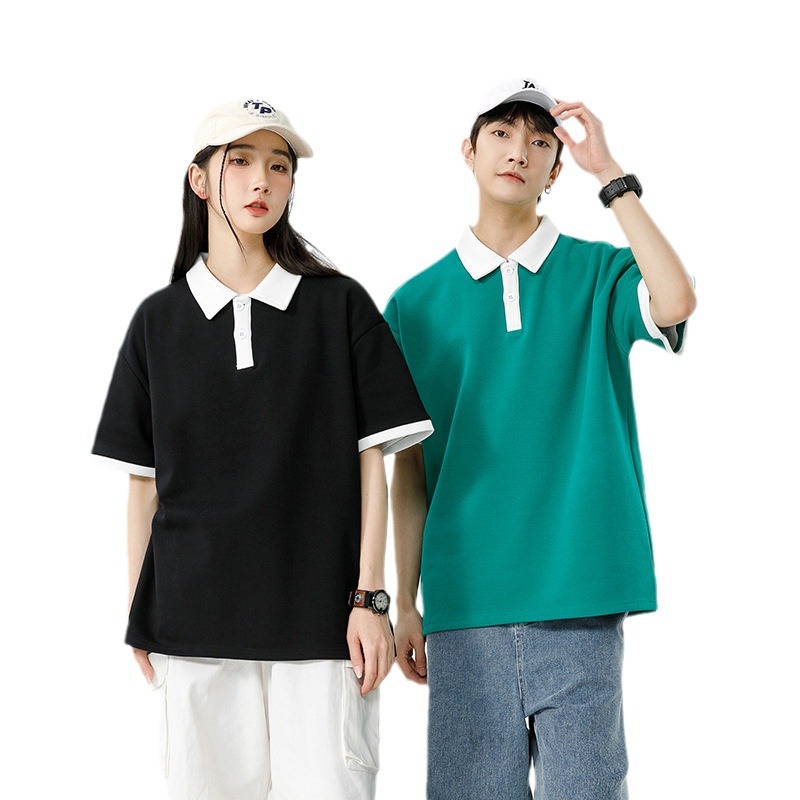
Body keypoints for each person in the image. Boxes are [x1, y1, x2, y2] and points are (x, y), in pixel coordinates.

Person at [92, 97, 432, 800]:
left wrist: (371, 599)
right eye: (241, 161)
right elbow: (143, 484)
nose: (262, 181)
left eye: (279, 167)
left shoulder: (339, 307)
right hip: (192, 627)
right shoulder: (158, 322)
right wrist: (139, 610)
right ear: (199, 179)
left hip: (323, 629)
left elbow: (373, 461)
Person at [385, 78, 696, 799]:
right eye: (500, 133)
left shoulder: (600, 273)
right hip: (464, 601)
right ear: (468, 151)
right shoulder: (413, 306)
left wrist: (610, 176)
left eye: (539, 140)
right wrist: (405, 601)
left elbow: (676, 299)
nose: (518, 151)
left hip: (580, 590)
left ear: (556, 167)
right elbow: (410, 474)